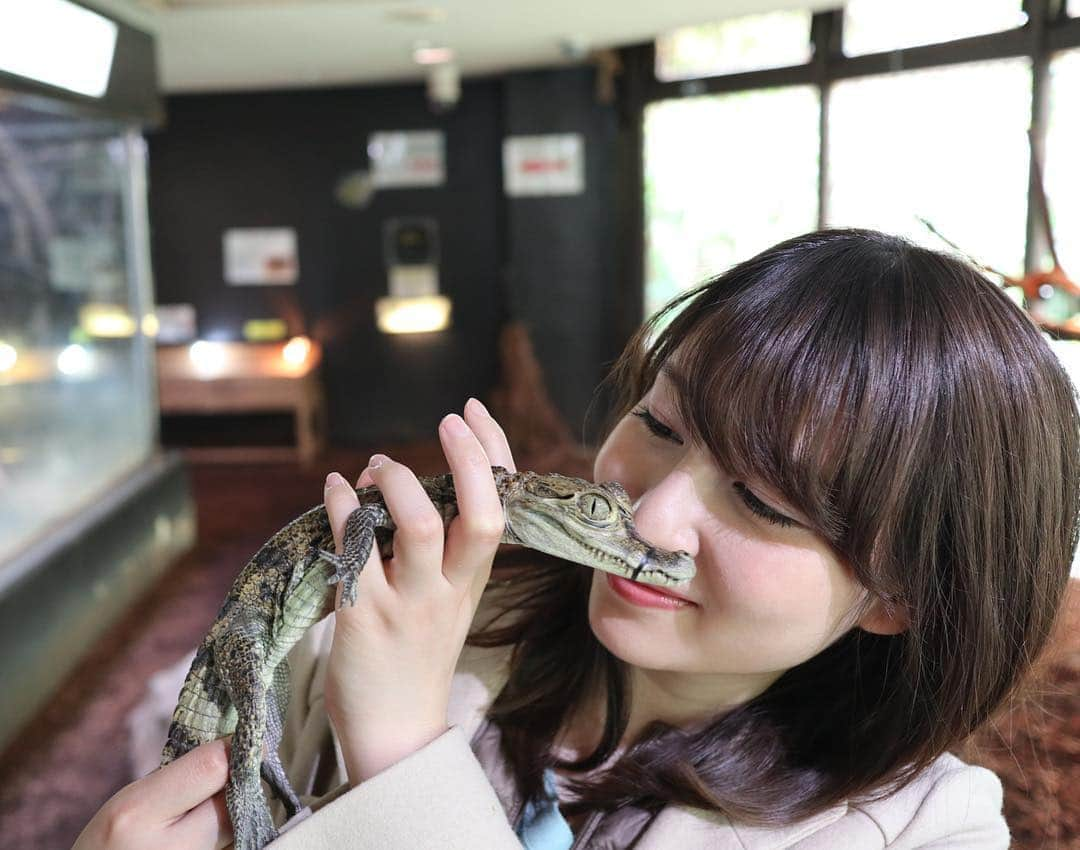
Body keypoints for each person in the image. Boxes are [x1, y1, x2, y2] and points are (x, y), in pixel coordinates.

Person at [74, 228, 1078, 849]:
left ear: (898, 590)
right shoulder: (407, 625)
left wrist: (401, 751)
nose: (650, 515)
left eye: (765, 503)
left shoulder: (926, 832)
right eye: (659, 423)